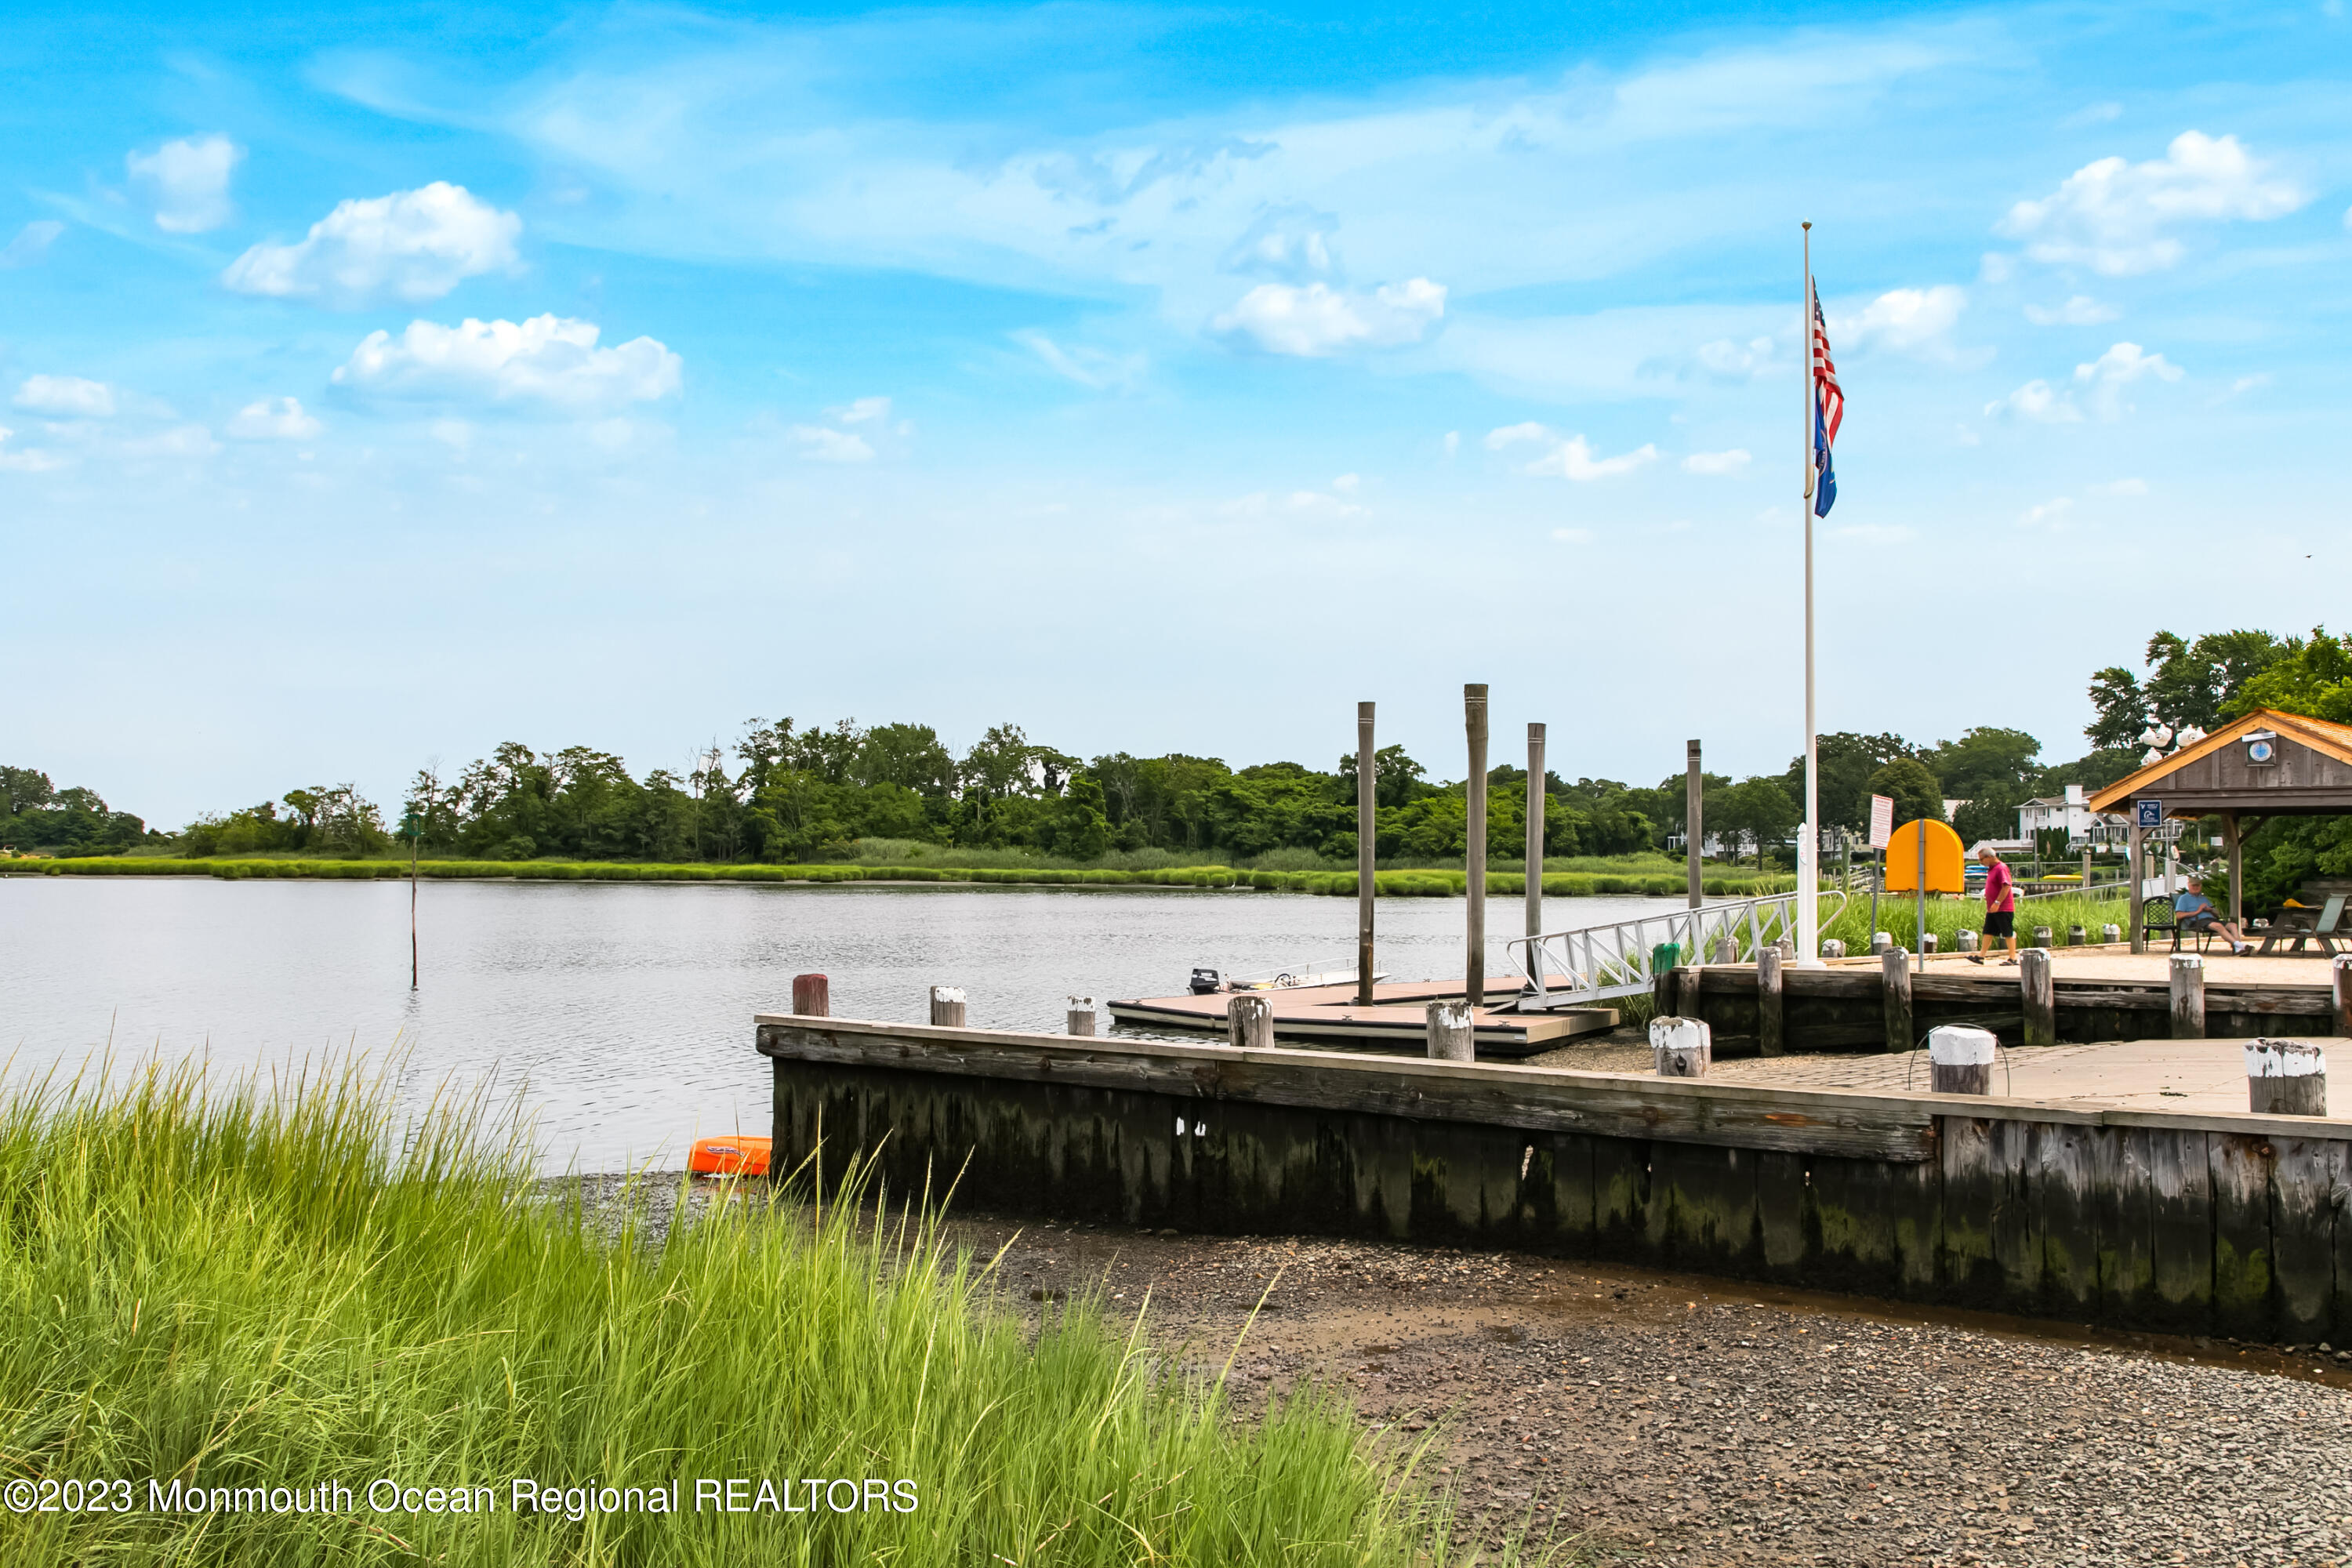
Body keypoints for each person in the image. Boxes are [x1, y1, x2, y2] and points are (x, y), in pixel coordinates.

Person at [2173, 876, 2252, 955]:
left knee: (2233, 925)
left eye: (2198, 885)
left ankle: (2237, 949)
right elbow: (2179, 915)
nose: (2196, 887)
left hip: (2211, 919)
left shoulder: (2204, 898)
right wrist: (2198, 911)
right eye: (2194, 885)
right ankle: (2241, 946)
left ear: (2201, 886)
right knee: (2218, 926)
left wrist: (2210, 910)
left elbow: (2217, 915)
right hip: (2196, 921)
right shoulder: (2183, 898)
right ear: (2189, 886)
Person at [1967, 847, 2017, 964]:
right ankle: (1981, 956)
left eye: (1982, 859)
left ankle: (2013, 958)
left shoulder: (2001, 868)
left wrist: (1997, 902)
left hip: (2002, 907)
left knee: (2007, 933)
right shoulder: (1992, 869)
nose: (1981, 862)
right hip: (1992, 908)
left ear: (1989, 857)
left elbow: (2006, 886)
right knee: (1988, 931)